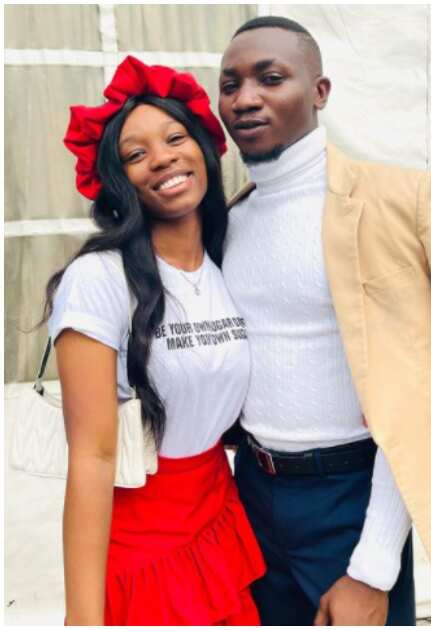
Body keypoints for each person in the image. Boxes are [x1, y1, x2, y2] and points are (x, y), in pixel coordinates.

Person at [217, 16, 431, 625]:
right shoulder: (230, 220)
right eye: (230, 84)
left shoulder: (397, 200)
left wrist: (373, 565)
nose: (246, 98)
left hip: (352, 501)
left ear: (319, 91)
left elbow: (418, 394)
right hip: (252, 494)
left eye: (270, 77)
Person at [49, 55, 264, 625]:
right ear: (119, 181)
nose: (163, 158)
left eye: (175, 137)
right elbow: (91, 457)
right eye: (136, 154)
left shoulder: (230, 261)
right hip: (138, 535)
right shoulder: (98, 279)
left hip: (217, 511)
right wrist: (82, 619)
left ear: (204, 146)